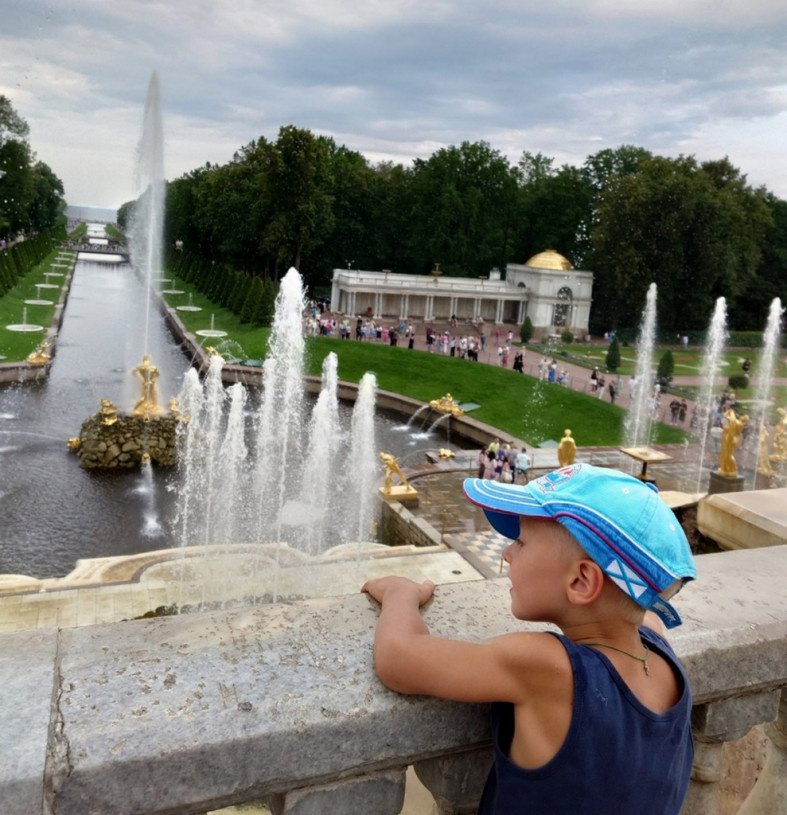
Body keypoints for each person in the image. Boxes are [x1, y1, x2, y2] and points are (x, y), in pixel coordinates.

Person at [362, 464, 695, 815]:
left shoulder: (549, 667)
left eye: (521, 542)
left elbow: (398, 657)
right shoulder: (660, 652)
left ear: (581, 582)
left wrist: (400, 593)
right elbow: (644, 615)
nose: (506, 553)